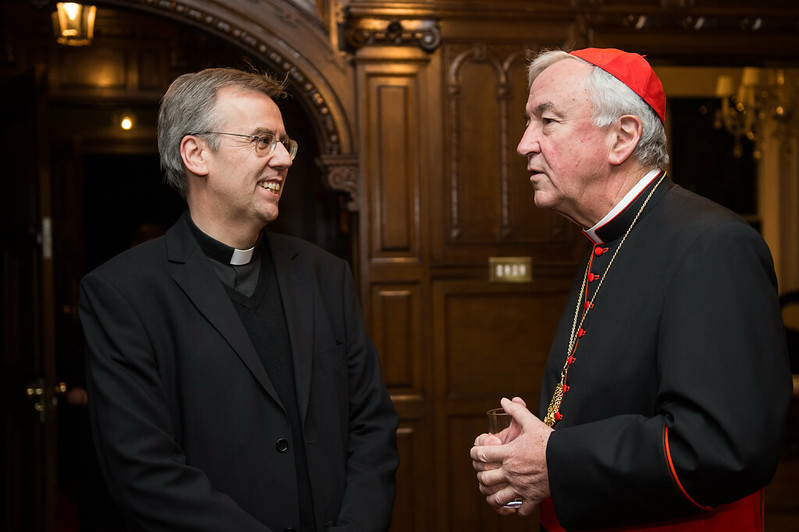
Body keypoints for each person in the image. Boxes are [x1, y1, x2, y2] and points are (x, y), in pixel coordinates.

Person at [470, 48, 793, 531]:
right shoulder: (605, 242)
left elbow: (722, 446)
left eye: (546, 121)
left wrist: (557, 461)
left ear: (622, 137)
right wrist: (531, 457)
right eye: (527, 122)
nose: (524, 144)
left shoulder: (712, 244)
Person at [80, 67, 399, 531]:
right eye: (260, 140)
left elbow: (372, 427)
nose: (284, 159)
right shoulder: (122, 293)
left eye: (284, 143)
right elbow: (143, 471)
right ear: (196, 154)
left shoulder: (325, 274)